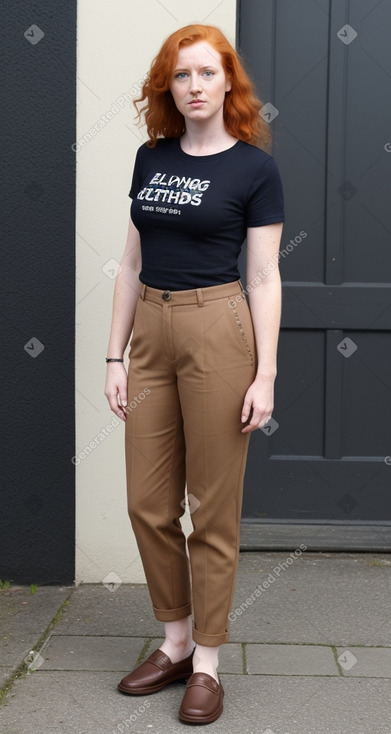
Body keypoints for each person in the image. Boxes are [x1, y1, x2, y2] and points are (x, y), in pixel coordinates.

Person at [104, 23, 284, 725]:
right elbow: (127, 265)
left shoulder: (253, 169)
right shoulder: (150, 159)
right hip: (150, 330)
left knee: (212, 507)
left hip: (219, 330)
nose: (195, 87)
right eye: (181, 76)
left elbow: (264, 277)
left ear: (227, 83)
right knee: (148, 503)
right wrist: (114, 356)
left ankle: (206, 659)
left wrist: (264, 374)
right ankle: (172, 640)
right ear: (168, 87)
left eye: (207, 73)